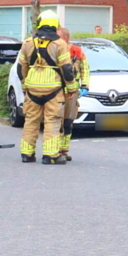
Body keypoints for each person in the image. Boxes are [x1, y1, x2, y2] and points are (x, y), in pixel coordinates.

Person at [17, 11, 75, 165]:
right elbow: (67, 69)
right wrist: (71, 88)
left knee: (31, 120)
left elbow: (20, 67)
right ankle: (50, 155)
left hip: (32, 89)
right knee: (53, 121)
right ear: (55, 25)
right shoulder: (60, 44)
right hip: (53, 89)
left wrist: (24, 85)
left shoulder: (28, 42)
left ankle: (27, 154)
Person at [57, 27, 90, 162]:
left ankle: (65, 149)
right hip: (57, 89)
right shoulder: (54, 50)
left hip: (72, 90)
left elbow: (85, 68)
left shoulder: (77, 51)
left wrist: (85, 85)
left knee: (68, 120)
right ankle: (56, 149)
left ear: (64, 38)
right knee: (56, 120)